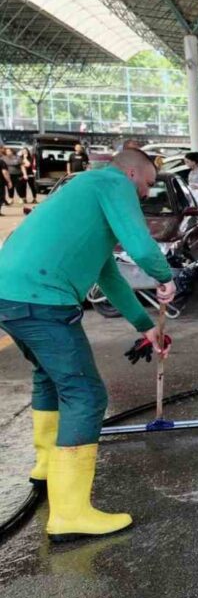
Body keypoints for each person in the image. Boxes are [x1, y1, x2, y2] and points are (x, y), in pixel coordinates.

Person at [0, 149, 175, 543]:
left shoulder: (85, 188)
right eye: (147, 184)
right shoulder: (113, 183)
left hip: (10, 294)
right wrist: (165, 276)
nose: (146, 194)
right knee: (86, 394)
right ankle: (70, 514)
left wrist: (146, 326)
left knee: (48, 376)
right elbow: (144, 248)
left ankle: (46, 465)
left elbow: (108, 274)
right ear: (131, 173)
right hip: (42, 297)